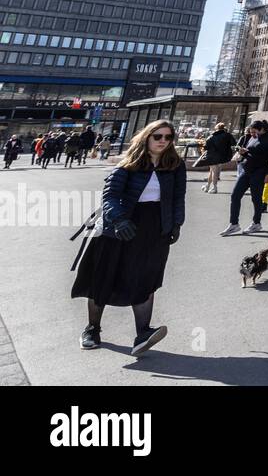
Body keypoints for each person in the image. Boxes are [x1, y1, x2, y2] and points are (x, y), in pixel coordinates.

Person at [71, 118, 185, 355]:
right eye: (158, 136)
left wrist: (176, 224)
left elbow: (178, 198)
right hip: (120, 225)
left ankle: (143, 333)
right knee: (104, 276)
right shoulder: (128, 164)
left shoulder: (175, 165)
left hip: (155, 227)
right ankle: (92, 329)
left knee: (146, 278)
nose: (163, 141)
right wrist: (119, 219)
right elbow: (110, 196)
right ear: (147, 137)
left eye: (168, 137)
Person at [219, 120, 268, 236]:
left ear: (262, 129)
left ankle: (256, 223)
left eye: (254, 132)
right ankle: (234, 224)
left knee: (256, 198)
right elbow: (251, 152)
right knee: (235, 195)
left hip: (260, 171)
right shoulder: (253, 138)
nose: (252, 134)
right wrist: (243, 152)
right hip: (247, 169)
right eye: (251, 132)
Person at [199, 122, 236, 193]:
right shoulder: (228, 135)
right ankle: (207, 186)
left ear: (216, 128)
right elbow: (233, 143)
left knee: (214, 172)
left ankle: (214, 188)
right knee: (212, 171)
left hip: (213, 156)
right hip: (223, 156)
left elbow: (206, 147)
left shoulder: (211, 136)